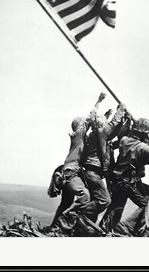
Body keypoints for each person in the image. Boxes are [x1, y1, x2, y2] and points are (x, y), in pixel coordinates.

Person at [100, 118, 149, 236]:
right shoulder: (142, 148)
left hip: (118, 180)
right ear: (144, 133)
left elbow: (122, 139)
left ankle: (104, 229)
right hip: (129, 182)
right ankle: (135, 229)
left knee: (116, 207)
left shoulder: (124, 140)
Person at [51, 92, 106, 230]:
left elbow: (95, 124)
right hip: (71, 172)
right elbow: (90, 118)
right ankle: (67, 217)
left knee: (66, 202)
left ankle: (55, 227)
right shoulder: (79, 135)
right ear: (80, 126)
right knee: (85, 195)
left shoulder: (79, 139)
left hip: (69, 171)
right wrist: (99, 101)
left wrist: (106, 117)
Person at [80, 102, 128, 222]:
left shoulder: (96, 136)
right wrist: (121, 109)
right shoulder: (101, 133)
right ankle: (75, 212)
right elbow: (112, 125)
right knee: (104, 201)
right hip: (93, 173)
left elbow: (114, 134)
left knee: (95, 200)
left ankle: (85, 225)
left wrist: (125, 123)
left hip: (92, 173)